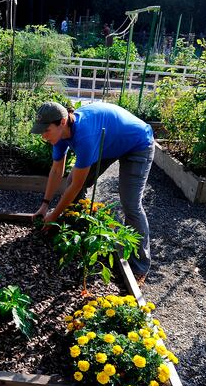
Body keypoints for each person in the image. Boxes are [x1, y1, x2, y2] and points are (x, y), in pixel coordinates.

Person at [31, 101, 154, 284]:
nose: (43, 136)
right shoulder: (59, 136)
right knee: (74, 181)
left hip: (138, 144)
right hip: (108, 141)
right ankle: (75, 226)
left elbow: (74, 187)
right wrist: (45, 205)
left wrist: (55, 214)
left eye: (46, 130)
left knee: (131, 204)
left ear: (62, 122)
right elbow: (57, 171)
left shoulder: (85, 136)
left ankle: (139, 267)